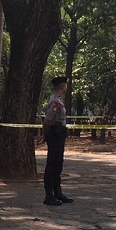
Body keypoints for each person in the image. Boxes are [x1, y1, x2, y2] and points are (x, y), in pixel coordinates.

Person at [41, 76, 72, 205]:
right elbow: (48, 121)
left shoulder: (59, 101)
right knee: (52, 163)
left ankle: (57, 192)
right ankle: (49, 195)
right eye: (65, 85)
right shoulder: (55, 102)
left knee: (58, 163)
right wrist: (44, 135)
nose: (66, 87)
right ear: (62, 86)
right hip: (55, 133)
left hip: (59, 133)